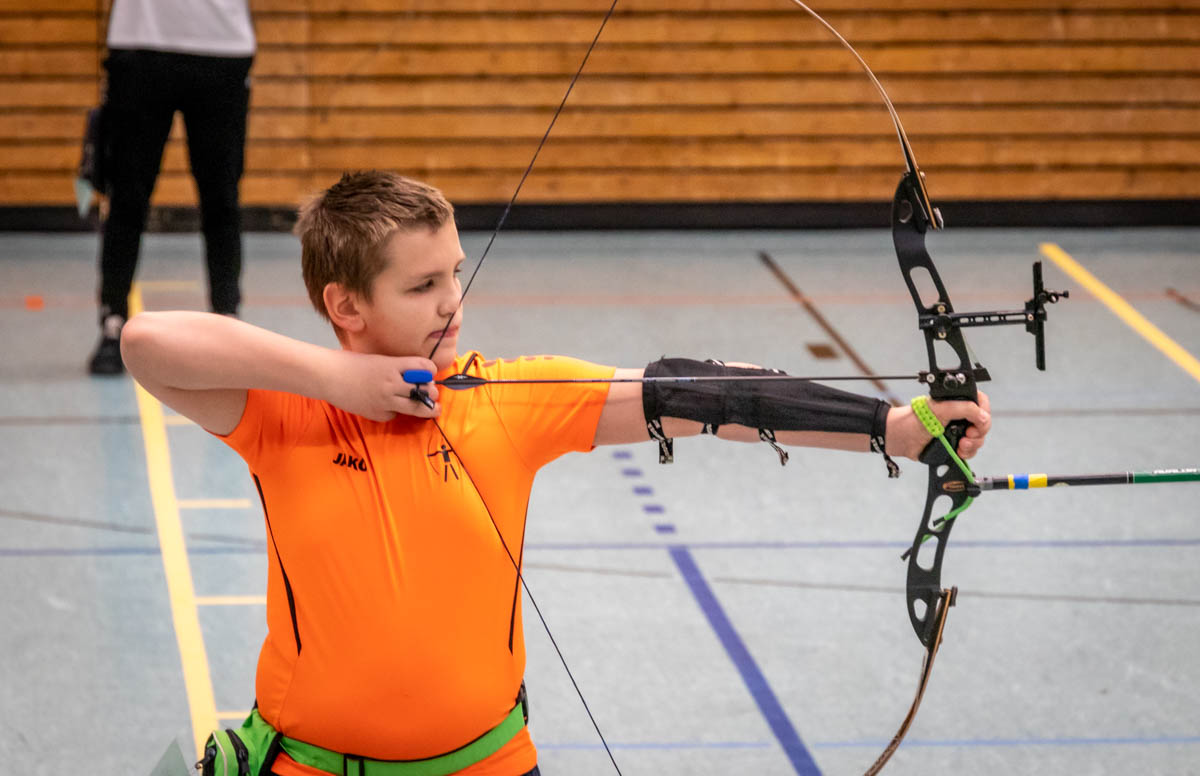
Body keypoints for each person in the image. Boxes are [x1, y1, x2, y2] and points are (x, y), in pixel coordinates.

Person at [121, 171, 991, 776]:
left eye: (455, 273)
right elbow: (146, 342)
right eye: (422, 287)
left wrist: (889, 427)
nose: (454, 301)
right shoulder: (285, 415)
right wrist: (339, 379)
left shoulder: (503, 399)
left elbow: (697, 393)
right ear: (345, 305)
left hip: (491, 764)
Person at [88, 0, 255, 375]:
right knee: (127, 197)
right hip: (140, 42)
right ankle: (113, 320)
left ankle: (227, 319)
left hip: (221, 46)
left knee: (221, 199)